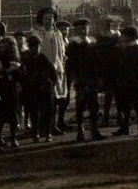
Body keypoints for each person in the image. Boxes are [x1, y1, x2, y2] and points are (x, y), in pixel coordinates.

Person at [66, 20, 105, 142]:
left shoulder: (93, 42)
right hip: (80, 79)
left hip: (92, 79)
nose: (83, 31)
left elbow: (98, 61)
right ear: (77, 30)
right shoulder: (73, 45)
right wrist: (74, 79)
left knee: (94, 105)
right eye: (80, 29)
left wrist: (98, 77)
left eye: (85, 28)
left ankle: (95, 130)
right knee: (80, 106)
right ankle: (80, 131)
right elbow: (70, 64)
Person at [34, 8, 68, 136]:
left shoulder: (57, 33)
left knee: (55, 100)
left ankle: (52, 125)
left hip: (57, 68)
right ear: (42, 20)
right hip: (43, 70)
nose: (48, 21)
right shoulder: (37, 33)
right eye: (46, 18)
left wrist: (61, 64)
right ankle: (42, 127)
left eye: (51, 18)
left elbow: (62, 51)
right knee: (45, 100)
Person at [113, 26, 138, 137]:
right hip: (128, 80)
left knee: (137, 104)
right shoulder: (131, 48)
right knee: (126, 104)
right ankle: (126, 127)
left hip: (134, 81)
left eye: (123, 35)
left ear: (129, 37)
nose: (121, 38)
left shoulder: (137, 49)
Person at [22, 33, 57, 143]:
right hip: (33, 90)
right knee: (34, 113)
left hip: (45, 89)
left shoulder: (43, 58)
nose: (35, 49)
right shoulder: (27, 60)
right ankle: (35, 134)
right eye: (32, 47)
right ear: (29, 47)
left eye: (37, 46)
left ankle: (48, 133)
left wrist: (50, 84)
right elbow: (24, 75)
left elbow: (53, 73)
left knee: (47, 112)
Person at [0, 36, 24, 148]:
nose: (3, 47)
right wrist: (8, 71)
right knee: (1, 115)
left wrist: (15, 70)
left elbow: (20, 73)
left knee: (14, 115)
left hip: (13, 89)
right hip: (3, 88)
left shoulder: (16, 59)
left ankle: (13, 137)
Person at [96, 16, 123, 128]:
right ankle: (111, 116)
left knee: (114, 94)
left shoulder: (114, 36)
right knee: (111, 94)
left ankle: (116, 116)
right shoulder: (110, 37)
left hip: (113, 68)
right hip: (109, 68)